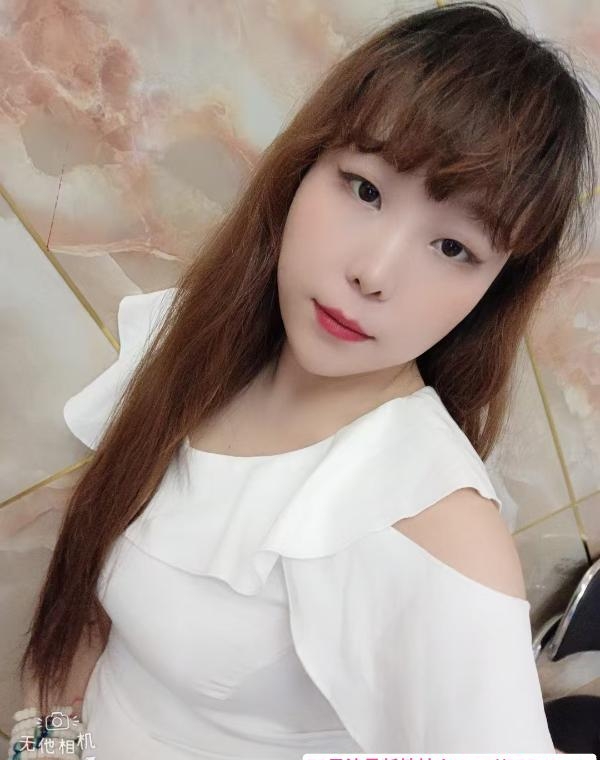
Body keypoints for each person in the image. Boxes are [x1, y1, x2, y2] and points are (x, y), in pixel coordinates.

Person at [11, 1, 598, 757]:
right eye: (365, 189)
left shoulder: (437, 530)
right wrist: (46, 742)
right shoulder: (194, 345)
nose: (373, 272)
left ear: (493, 290)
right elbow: (84, 613)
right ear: (304, 169)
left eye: (454, 248)